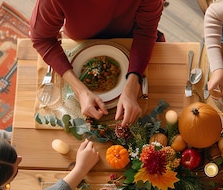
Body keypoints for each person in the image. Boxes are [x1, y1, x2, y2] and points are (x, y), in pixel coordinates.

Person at [30, 0, 164, 126]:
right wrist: (80, 91)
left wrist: (133, 85)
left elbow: (145, 32)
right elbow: (43, 39)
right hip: (79, 40)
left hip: (130, 40)